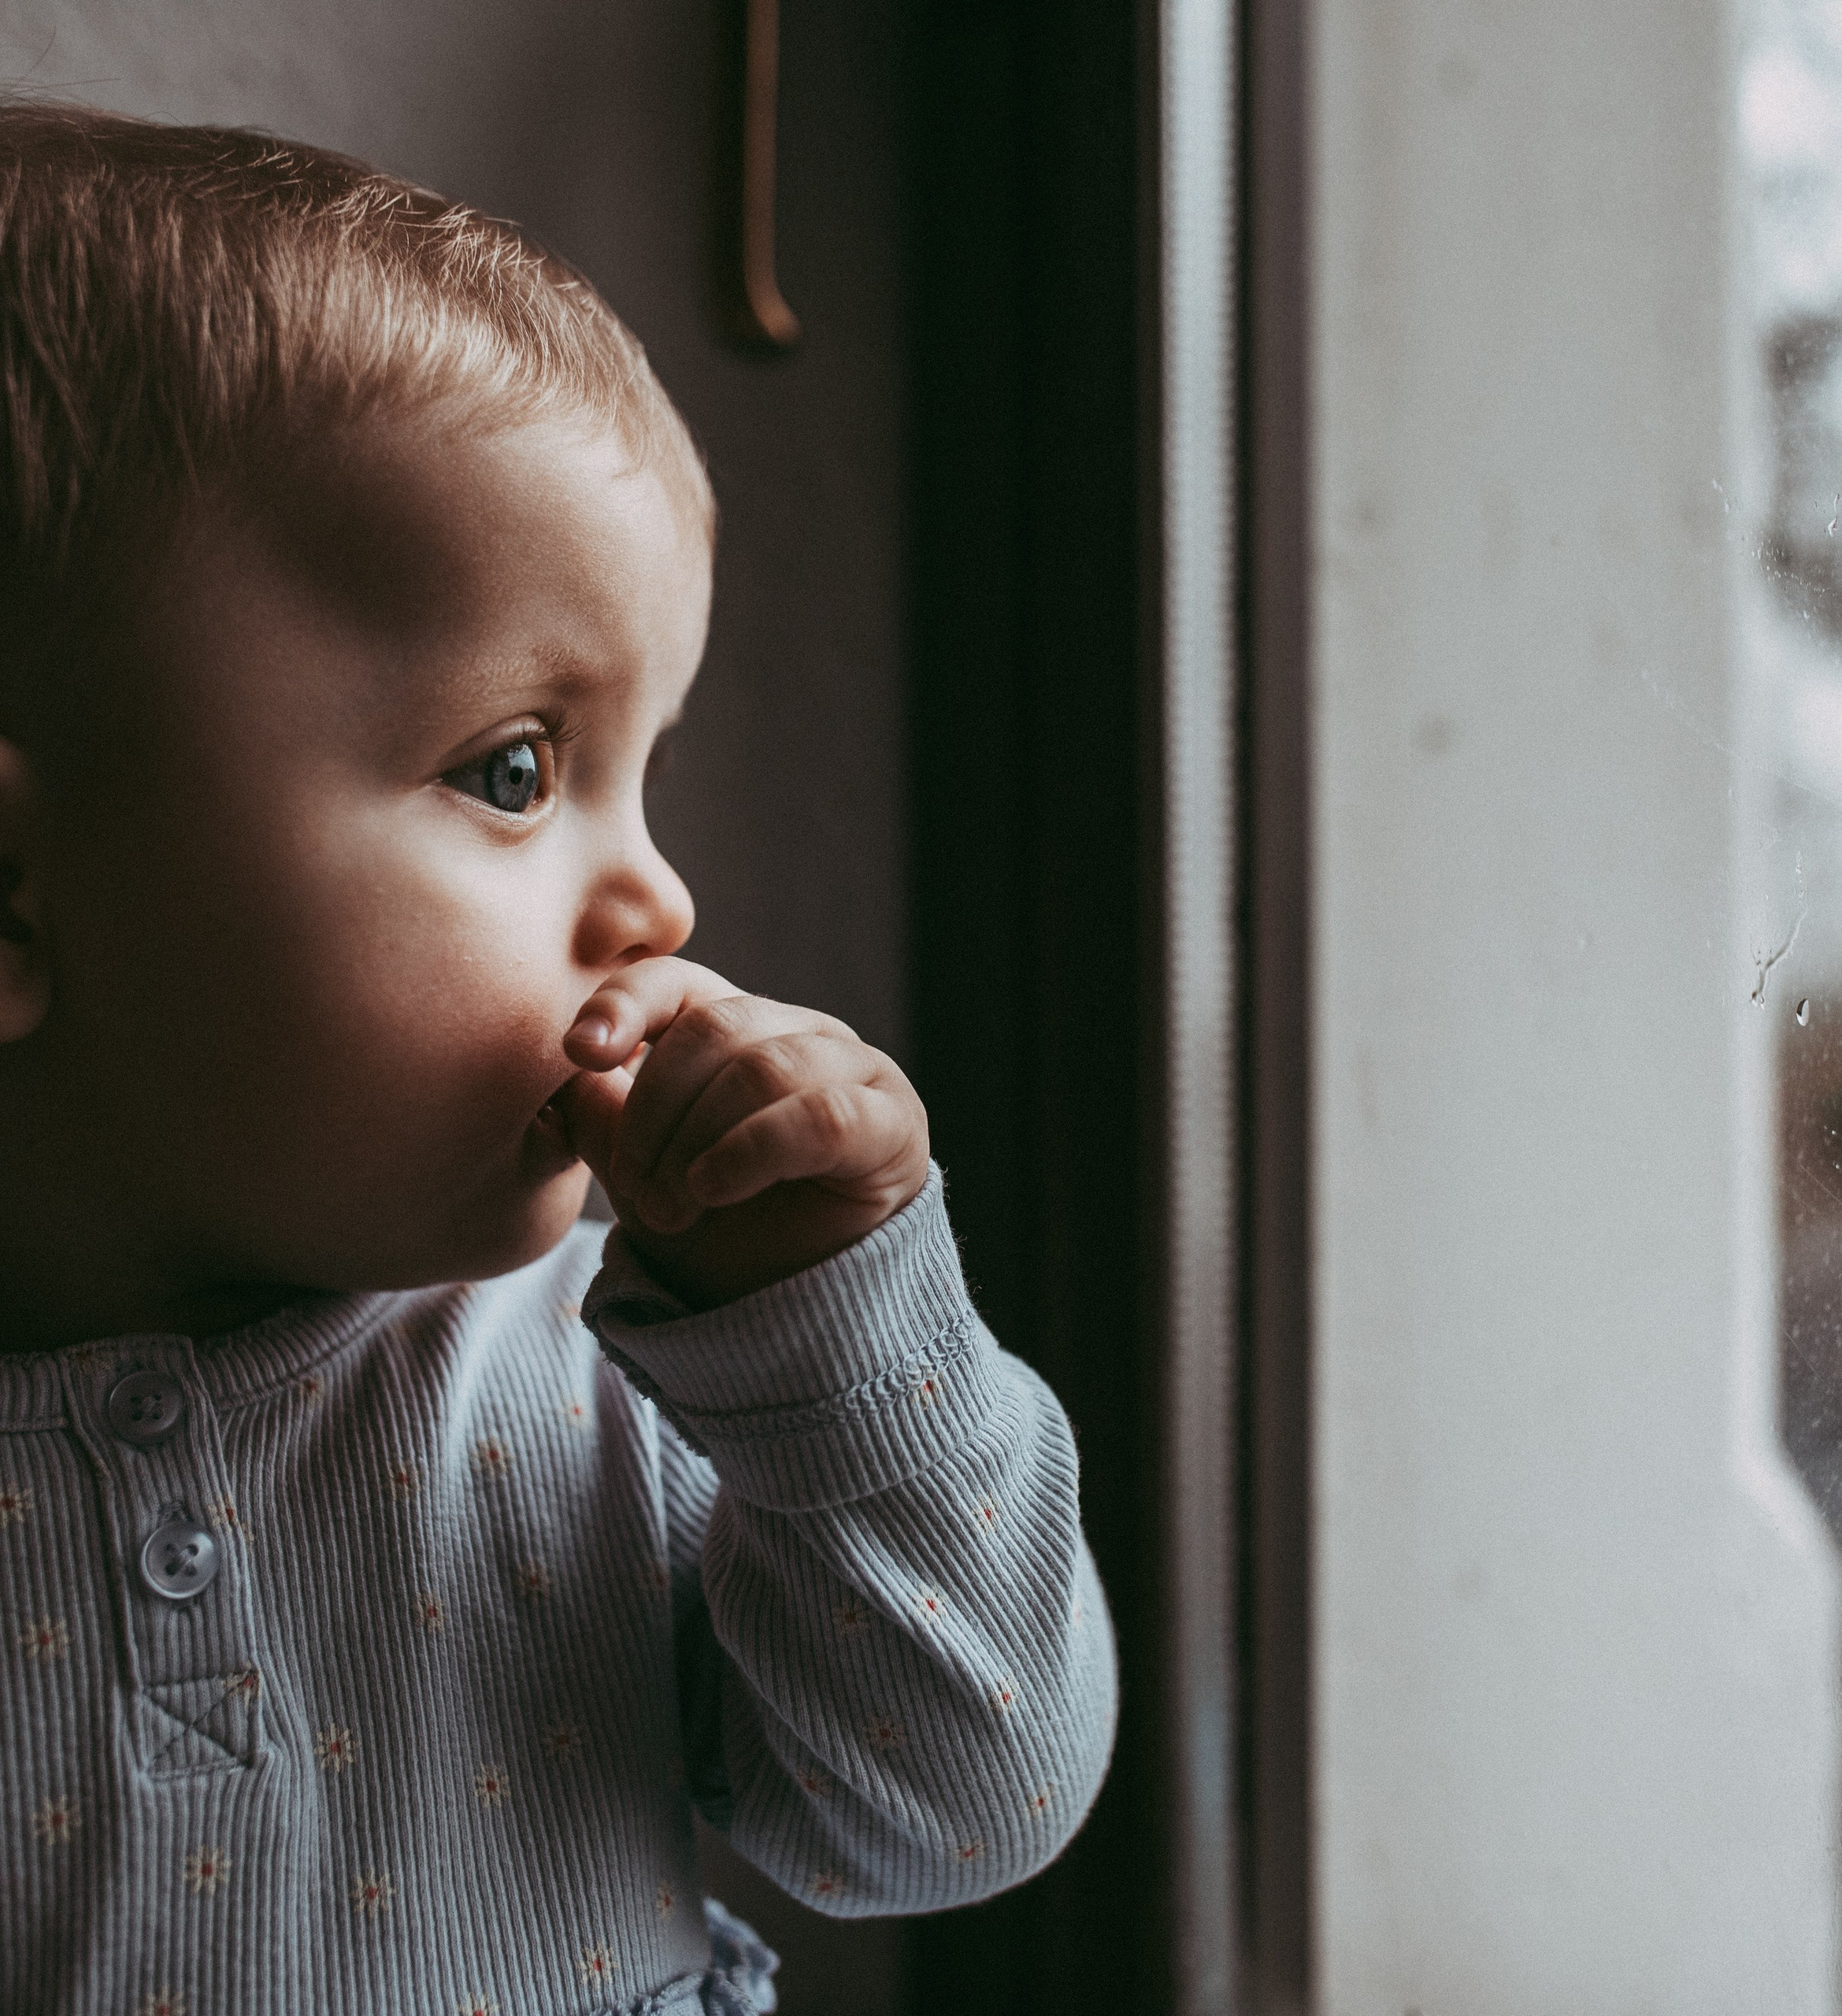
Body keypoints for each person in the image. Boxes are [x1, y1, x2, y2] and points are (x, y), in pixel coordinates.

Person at [0, 102, 1117, 2016]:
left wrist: (837, 1336)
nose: (659, 898)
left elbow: (955, 1806)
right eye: (515, 768)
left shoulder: (622, 1379)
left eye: (637, 772)